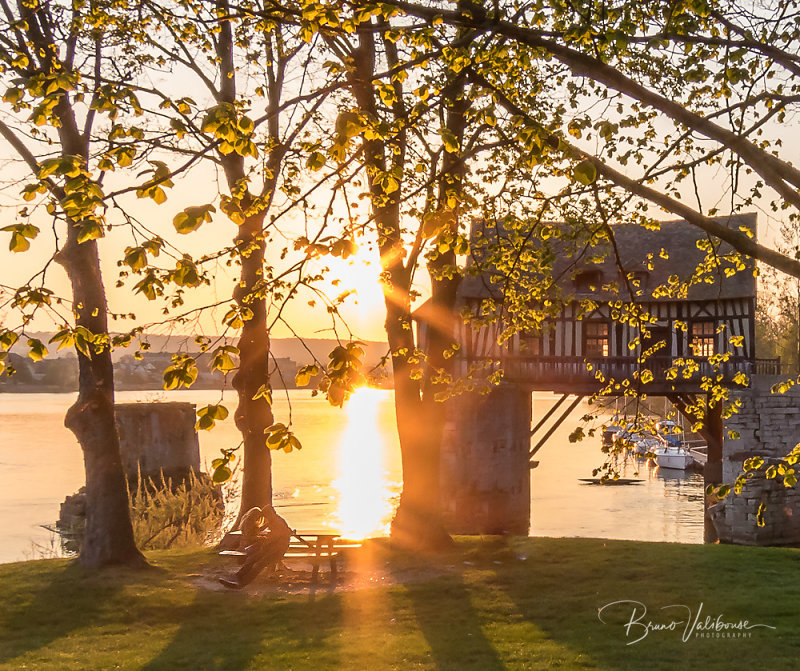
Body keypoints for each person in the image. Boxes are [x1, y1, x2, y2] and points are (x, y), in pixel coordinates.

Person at [219, 505, 292, 589]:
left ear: (271, 514)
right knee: (252, 559)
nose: (265, 518)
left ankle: (242, 584)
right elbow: (275, 534)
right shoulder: (274, 520)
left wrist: (264, 542)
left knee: (259, 564)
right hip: (271, 548)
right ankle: (237, 576)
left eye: (266, 515)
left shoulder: (277, 522)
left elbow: (274, 538)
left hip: (277, 550)